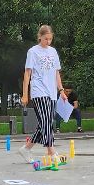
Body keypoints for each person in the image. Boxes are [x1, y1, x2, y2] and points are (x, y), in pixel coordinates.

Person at [21, 24, 64, 163]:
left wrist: (61, 90)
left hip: (52, 92)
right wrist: (25, 94)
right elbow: (27, 74)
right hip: (38, 91)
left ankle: (26, 149)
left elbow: (56, 72)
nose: (48, 42)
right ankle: (51, 151)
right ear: (40, 37)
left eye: (50, 39)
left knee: (45, 122)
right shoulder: (33, 52)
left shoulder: (53, 52)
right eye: (46, 39)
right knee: (46, 122)